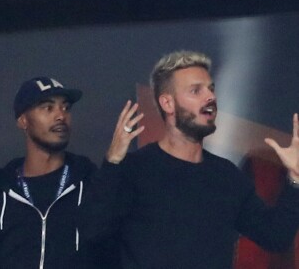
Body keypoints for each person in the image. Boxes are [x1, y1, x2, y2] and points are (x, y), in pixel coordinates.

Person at [97, 51, 299, 269]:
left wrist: (295, 178)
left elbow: (275, 236)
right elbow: (94, 231)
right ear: (168, 103)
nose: (210, 97)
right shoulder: (134, 169)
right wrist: (112, 162)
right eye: (196, 90)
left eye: (211, 88)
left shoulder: (226, 176)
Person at [0, 76, 142, 269]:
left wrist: (112, 161)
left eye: (65, 108)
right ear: (23, 120)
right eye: (48, 108)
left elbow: (109, 238)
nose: (60, 115)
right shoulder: (4, 188)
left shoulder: (90, 182)